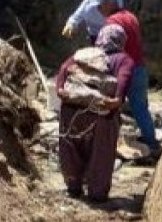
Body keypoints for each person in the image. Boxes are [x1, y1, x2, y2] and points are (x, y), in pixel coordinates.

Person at [54, 24, 135, 202]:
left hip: (72, 110)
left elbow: (62, 70)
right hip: (102, 114)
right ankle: (97, 194)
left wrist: (61, 90)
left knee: (71, 148)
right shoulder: (123, 59)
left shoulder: (83, 55)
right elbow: (123, 79)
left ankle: (73, 187)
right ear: (120, 41)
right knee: (101, 153)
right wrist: (117, 100)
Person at [95, 0, 160, 157]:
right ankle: (151, 142)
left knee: (112, 106)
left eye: (101, 5)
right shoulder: (131, 17)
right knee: (141, 107)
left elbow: (106, 47)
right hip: (139, 67)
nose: (99, 9)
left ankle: (108, 142)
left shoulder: (112, 22)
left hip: (122, 68)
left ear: (111, 4)